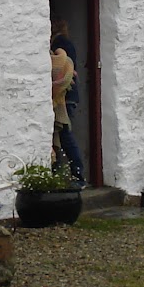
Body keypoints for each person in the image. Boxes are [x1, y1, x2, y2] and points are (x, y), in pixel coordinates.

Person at [50, 44, 85, 189]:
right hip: (63, 103)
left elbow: (63, 78)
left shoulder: (59, 58)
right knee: (60, 139)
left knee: (64, 138)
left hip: (62, 104)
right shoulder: (63, 58)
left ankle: (77, 176)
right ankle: (60, 176)